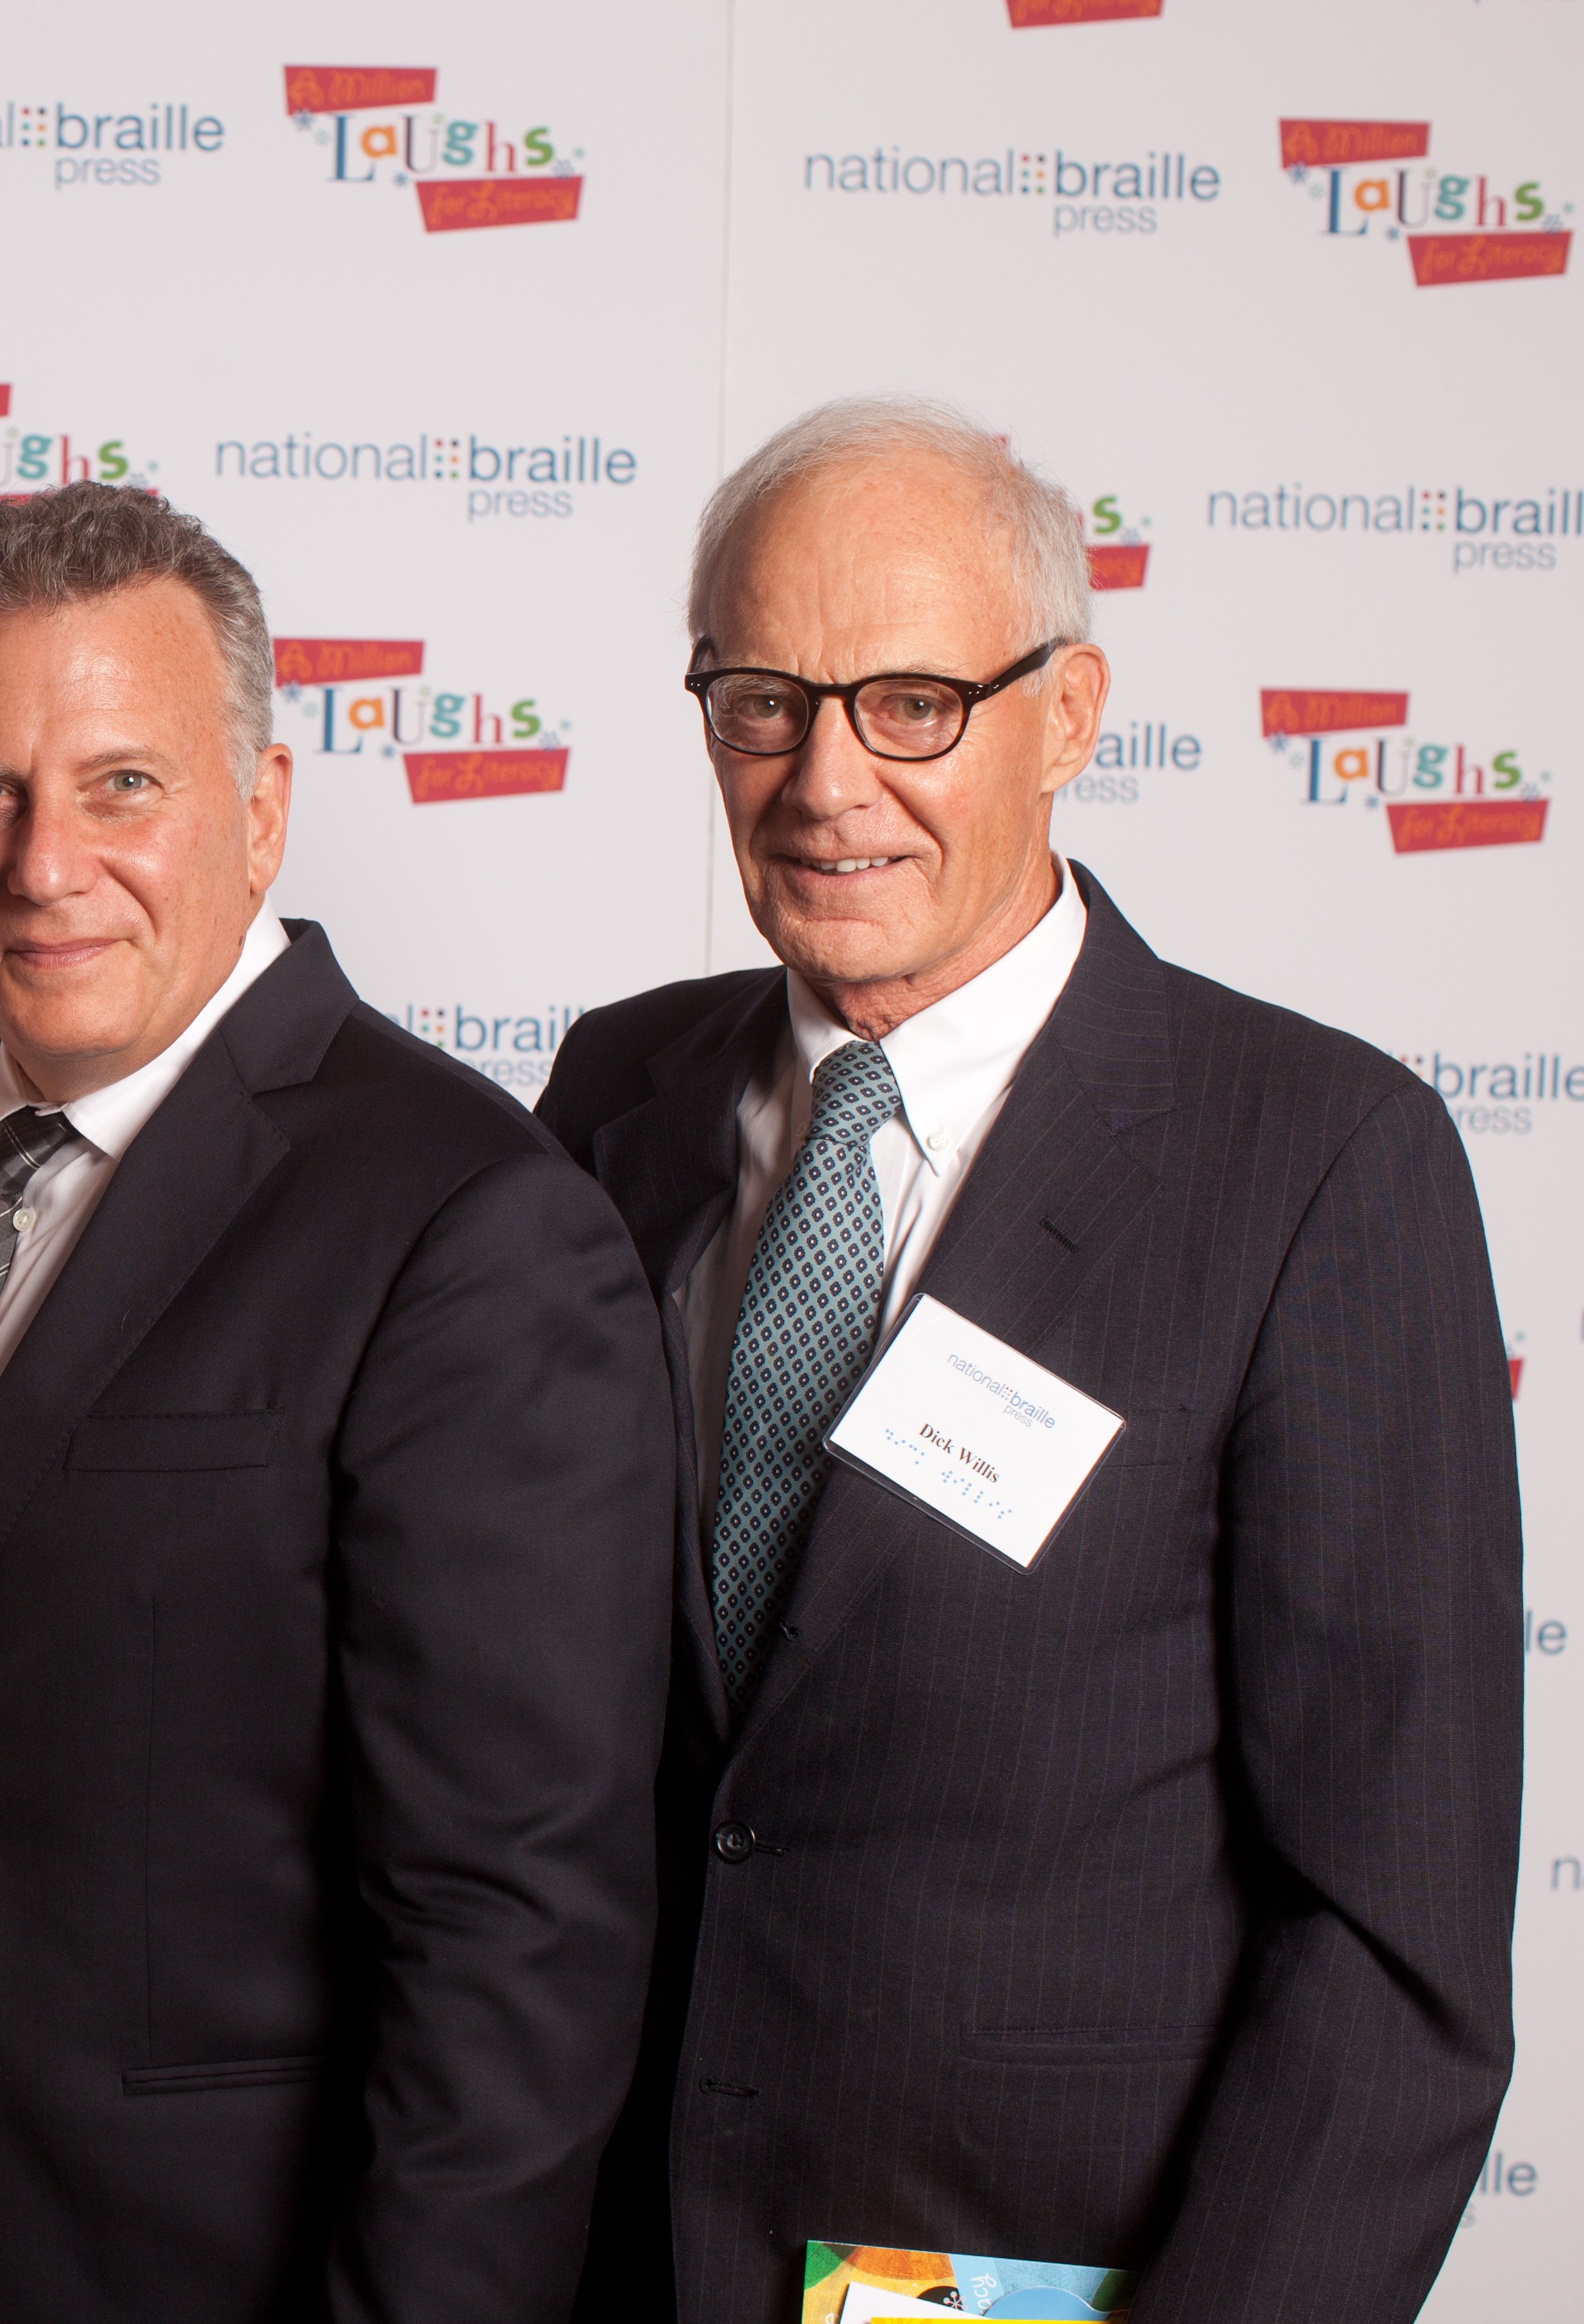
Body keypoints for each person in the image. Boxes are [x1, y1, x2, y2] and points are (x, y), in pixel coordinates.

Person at [540, 396, 1521, 2322]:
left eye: (912, 700)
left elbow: (1389, 1949)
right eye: (761, 698)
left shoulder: (1315, 1161)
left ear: (1066, 715)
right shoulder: (612, 1097)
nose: (827, 780)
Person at [0, 482, 675, 2321]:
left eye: (123, 782)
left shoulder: (465, 1223)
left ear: (260, 810)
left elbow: (517, 1936)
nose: (44, 862)